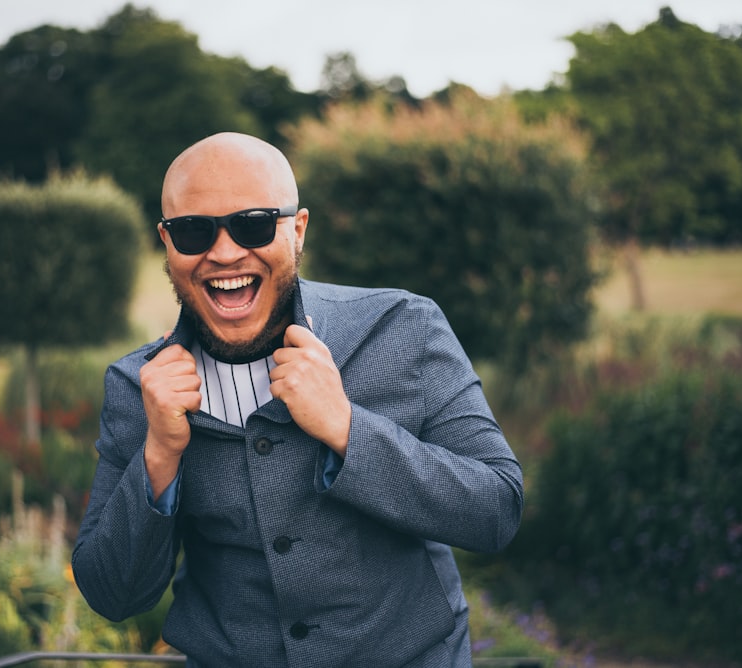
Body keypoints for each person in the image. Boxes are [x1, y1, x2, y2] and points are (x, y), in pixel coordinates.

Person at [72, 132, 523, 667]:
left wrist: (346, 428)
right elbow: (112, 594)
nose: (224, 252)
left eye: (253, 223)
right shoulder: (135, 386)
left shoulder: (404, 328)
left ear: (298, 229)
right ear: (167, 242)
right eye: (194, 231)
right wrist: (159, 457)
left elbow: (496, 509)